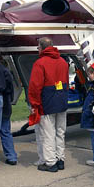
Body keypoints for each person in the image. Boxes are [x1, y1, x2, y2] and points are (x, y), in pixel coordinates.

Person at [28, 37, 69, 172]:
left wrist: (34, 104)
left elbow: (35, 86)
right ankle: (60, 159)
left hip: (47, 102)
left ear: (42, 48)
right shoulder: (63, 62)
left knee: (48, 133)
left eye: (38, 47)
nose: (37, 50)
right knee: (60, 132)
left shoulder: (40, 63)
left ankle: (50, 162)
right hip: (61, 101)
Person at [0, 58, 17, 165]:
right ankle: (11, 156)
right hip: (6, 105)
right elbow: (11, 91)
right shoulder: (8, 74)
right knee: (6, 131)